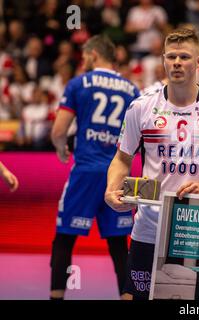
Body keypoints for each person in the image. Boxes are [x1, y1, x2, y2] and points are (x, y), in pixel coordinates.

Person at [104, 28, 199, 300]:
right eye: (171, 56)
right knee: (134, 297)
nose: (177, 62)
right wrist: (111, 189)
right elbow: (122, 158)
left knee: (189, 300)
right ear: (163, 60)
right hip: (148, 225)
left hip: (195, 226)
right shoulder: (140, 107)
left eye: (185, 57)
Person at [50, 35, 140, 300]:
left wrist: (60, 146)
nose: (83, 60)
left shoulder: (79, 83)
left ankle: (56, 297)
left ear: (92, 55)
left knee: (65, 237)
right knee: (119, 246)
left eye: (84, 55)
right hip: (118, 172)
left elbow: (59, 130)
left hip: (86, 171)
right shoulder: (132, 90)